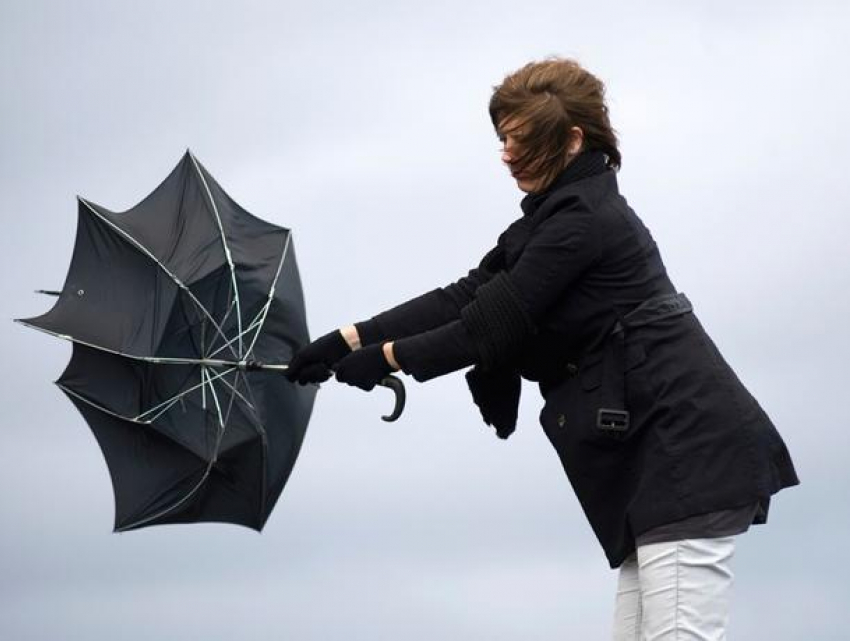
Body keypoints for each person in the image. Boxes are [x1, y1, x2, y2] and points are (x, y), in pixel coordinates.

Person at [285, 57, 799, 640]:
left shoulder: (584, 222)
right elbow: (469, 295)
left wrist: (385, 359)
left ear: (574, 139)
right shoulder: (554, 220)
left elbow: (487, 328)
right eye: (503, 138)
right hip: (655, 469)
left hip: (685, 458)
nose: (505, 153)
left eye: (521, 139)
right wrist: (349, 338)